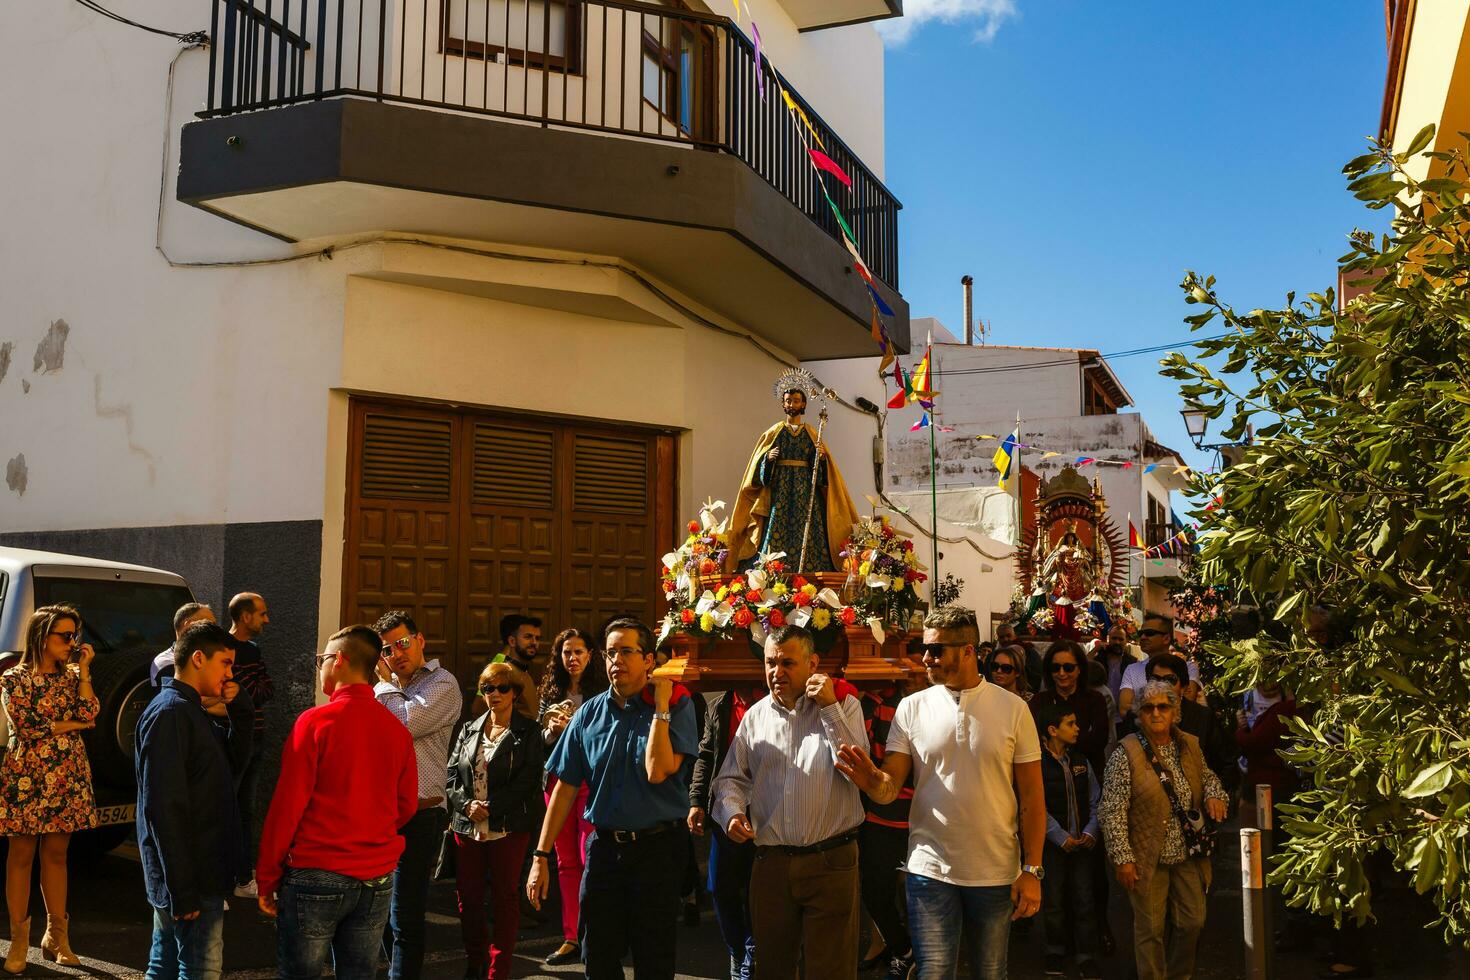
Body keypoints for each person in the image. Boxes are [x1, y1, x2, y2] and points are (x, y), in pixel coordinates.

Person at [837, 607, 1046, 980]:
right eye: (924, 648)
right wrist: (871, 781)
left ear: (968, 651)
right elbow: (890, 788)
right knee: (932, 974)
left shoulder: (1014, 709)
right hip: (928, 870)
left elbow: (1032, 798)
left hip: (996, 873)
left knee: (991, 973)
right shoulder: (911, 707)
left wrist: (1031, 870)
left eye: (935, 650)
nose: (926, 658)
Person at [527, 618, 699, 979]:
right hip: (604, 850)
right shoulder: (588, 714)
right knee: (598, 956)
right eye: (610, 653)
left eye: (626, 651)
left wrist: (661, 706)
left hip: (658, 849)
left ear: (649, 660)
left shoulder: (678, 706)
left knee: (653, 958)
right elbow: (565, 787)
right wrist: (540, 856)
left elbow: (657, 769)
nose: (615, 661)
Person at [257, 625, 417, 980]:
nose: (320, 667)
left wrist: (267, 875)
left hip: (317, 871)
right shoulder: (396, 730)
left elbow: (287, 807)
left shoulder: (314, 722)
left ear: (339, 660)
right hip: (376, 874)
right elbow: (405, 805)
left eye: (321, 660)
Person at [710, 625, 868, 980]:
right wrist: (732, 813)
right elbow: (730, 779)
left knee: (831, 970)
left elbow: (857, 769)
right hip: (772, 864)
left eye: (787, 663)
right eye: (769, 663)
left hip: (831, 860)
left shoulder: (844, 706)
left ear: (813, 663)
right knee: (772, 969)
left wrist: (828, 708)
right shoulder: (755, 716)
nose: (776, 673)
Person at [136, 621, 255, 980]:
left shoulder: (189, 710)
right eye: (226, 663)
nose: (230, 674)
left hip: (193, 872)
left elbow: (232, 762)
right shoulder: (172, 713)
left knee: (166, 965)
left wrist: (242, 708)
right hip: (192, 874)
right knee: (199, 969)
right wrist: (182, 889)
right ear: (199, 658)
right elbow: (164, 807)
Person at [1098, 680, 1229, 980]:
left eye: (1163, 707)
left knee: (1192, 922)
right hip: (1146, 856)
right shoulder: (1126, 752)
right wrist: (1122, 858)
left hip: (1188, 853)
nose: (1156, 713)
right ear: (1139, 714)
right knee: (1150, 931)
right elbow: (1111, 809)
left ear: (1175, 713)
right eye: (1148, 708)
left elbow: (1209, 778)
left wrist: (1214, 796)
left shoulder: (1190, 745)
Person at [0, 604, 99, 972]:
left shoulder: (75, 675)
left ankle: (57, 937)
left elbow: (90, 715)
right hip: (26, 774)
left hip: (67, 773)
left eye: (76, 634)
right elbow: (27, 727)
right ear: (42, 636)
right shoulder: (13, 679)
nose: (73, 642)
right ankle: (19, 941)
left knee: (57, 855)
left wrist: (85, 672)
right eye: (66, 635)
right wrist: (69, 724)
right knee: (21, 855)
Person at [372, 610, 463, 980]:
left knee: (405, 912)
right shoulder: (386, 687)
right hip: (380, 812)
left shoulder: (442, 683)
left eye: (403, 643)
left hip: (421, 813)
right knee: (376, 911)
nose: (397, 653)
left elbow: (405, 724)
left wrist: (380, 688)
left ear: (420, 640)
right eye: (387, 649)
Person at [445, 661, 543, 980]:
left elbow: (529, 780)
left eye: (503, 688)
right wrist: (467, 805)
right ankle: (475, 960)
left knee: (504, 897)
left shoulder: (528, 731)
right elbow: (450, 777)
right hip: (468, 827)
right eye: (488, 688)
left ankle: (498, 968)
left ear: (514, 692)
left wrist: (492, 806)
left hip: (508, 827)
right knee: (468, 898)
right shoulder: (469, 728)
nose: (495, 694)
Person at [725, 371, 861, 573]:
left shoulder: (812, 433)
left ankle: (810, 569)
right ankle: (771, 570)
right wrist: (767, 459)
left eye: (796, 401)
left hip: (805, 493)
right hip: (779, 492)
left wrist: (820, 459)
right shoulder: (774, 432)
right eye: (788, 401)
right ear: (783, 404)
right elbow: (757, 471)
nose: (791, 405)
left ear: (803, 405)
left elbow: (823, 475)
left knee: (810, 528)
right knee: (775, 527)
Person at [536, 627, 608, 967]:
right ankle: (571, 936)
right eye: (567, 652)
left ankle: (597, 930)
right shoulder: (551, 691)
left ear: (591, 655)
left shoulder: (603, 691)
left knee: (590, 856)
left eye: (579, 651)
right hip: (558, 782)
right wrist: (551, 729)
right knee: (565, 862)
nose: (573, 658)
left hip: (591, 784)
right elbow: (540, 741)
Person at [688, 679, 765, 980]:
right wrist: (696, 801)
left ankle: (757, 950)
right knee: (720, 885)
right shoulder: (719, 704)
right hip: (727, 808)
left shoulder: (772, 700)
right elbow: (706, 755)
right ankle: (739, 949)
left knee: (755, 888)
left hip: (765, 809)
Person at [1034, 702, 1102, 980]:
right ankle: (1055, 950)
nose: (1077, 729)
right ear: (1053, 730)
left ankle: (1086, 955)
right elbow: (1035, 805)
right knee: (1054, 899)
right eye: (1070, 724)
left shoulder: (1080, 760)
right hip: (1054, 846)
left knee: (1084, 899)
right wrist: (1059, 837)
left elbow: (1096, 800)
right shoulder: (1037, 763)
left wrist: (1090, 831)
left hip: (1082, 843)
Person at [858, 681, 914, 978]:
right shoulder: (871, 702)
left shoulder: (923, 703)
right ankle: (904, 948)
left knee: (917, 898)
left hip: (919, 817)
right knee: (875, 892)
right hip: (879, 816)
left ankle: (920, 956)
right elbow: (860, 744)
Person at [226, 592, 274, 900]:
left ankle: (243, 875)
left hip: (256, 738)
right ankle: (227, 875)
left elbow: (266, 689)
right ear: (245, 617)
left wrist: (244, 689)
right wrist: (247, 689)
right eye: (262, 613)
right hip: (234, 741)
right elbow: (233, 692)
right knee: (227, 808)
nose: (266, 619)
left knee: (247, 810)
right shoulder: (224, 648)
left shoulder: (253, 650)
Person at [1144, 654, 1236, 794]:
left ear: (1183, 688)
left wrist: (1214, 796)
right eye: (1155, 680)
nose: (1161, 686)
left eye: (1170, 680)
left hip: (1197, 806)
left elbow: (1226, 764)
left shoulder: (1203, 718)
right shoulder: (1138, 717)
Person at [1029, 642, 1111, 778]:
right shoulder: (1039, 701)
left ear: (1079, 669)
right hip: (1048, 776)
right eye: (1055, 668)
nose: (1061, 673)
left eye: (1068, 668)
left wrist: (1057, 741)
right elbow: (1034, 741)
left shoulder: (1095, 700)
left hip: (1088, 777)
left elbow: (1099, 740)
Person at [1235, 679, 1297, 827]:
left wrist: (1240, 733)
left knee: (1265, 832)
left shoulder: (1284, 709)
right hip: (1257, 776)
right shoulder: (1248, 694)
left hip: (1273, 782)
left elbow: (1254, 742)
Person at [1117, 615, 1197, 722]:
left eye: (1150, 633)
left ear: (1166, 638)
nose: (1143, 637)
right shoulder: (1132, 669)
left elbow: (1187, 702)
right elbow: (1124, 709)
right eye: (1141, 634)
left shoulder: (1188, 667)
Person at [151, 603, 217, 686]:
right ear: (188, 626)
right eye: (209, 624)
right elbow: (181, 696)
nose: (215, 630)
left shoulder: (207, 657)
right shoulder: (166, 662)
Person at [493, 614, 543, 682]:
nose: (534, 642)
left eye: (537, 638)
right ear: (512, 641)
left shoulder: (518, 666)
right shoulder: (499, 670)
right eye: (528, 636)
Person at [995, 624, 1042, 692]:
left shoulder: (1028, 651)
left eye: (1008, 635)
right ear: (998, 639)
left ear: (1015, 636)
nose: (1005, 639)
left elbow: (1036, 675)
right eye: (1002, 637)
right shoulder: (996, 655)